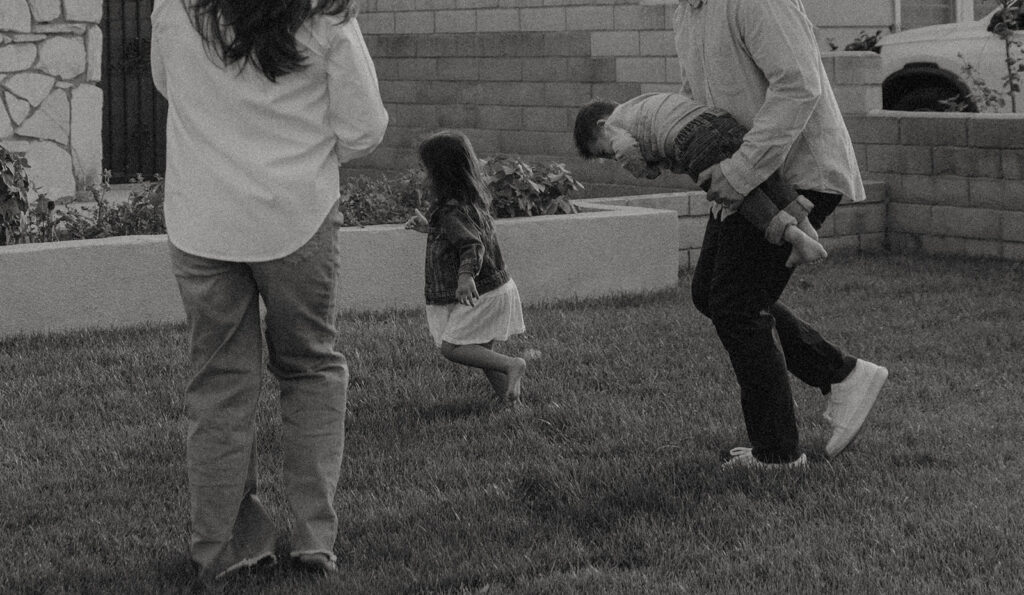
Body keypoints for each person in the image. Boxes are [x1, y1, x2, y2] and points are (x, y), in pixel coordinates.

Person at [150, 0, 388, 580]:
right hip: (296, 217)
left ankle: (223, 547)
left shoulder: (171, 8)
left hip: (202, 218)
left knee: (219, 385)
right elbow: (364, 127)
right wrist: (298, 152)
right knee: (309, 367)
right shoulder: (325, 17)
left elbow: (167, 85)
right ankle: (313, 540)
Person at [674, 0, 888, 469]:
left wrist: (744, 168)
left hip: (799, 173)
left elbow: (798, 85)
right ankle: (842, 374)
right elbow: (700, 103)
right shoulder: (687, 12)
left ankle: (777, 455)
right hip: (744, 175)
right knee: (711, 293)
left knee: (736, 303)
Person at [573, 94, 827, 267]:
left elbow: (627, 150)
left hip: (692, 141)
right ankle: (805, 225)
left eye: (605, 152)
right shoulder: (641, 105)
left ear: (602, 124)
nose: (613, 157)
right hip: (718, 121)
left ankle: (795, 239)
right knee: (759, 174)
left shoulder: (614, 125)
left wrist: (645, 171)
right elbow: (665, 135)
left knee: (735, 193)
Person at [404, 130, 528, 406]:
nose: (424, 177)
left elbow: (472, 246)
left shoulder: (451, 211)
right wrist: (430, 227)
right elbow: (463, 237)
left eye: (426, 170)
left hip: (480, 290)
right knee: (483, 352)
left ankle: (512, 364)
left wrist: (465, 277)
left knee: (453, 347)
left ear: (440, 174)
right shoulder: (469, 203)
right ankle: (512, 404)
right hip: (497, 286)